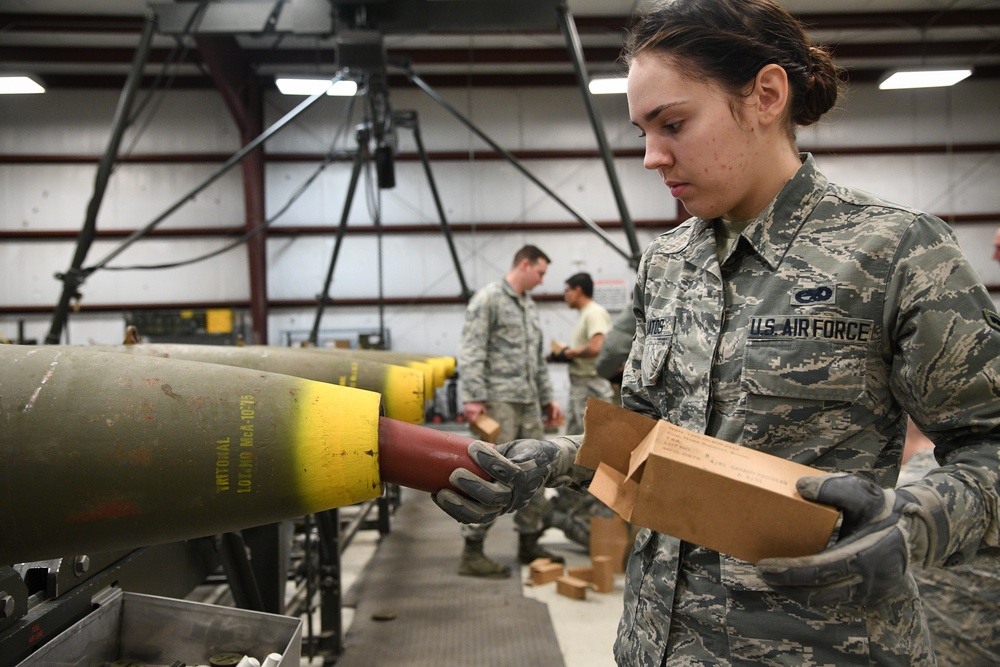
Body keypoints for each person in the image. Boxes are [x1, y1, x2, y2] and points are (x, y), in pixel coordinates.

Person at [434, 1, 1000, 665]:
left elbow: (987, 443)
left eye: (672, 123)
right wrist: (550, 459)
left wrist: (916, 522)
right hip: (656, 641)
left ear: (764, 94)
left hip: (815, 646)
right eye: (643, 130)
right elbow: (641, 434)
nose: (650, 156)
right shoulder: (666, 262)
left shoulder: (896, 252)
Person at [455, 244, 564, 578]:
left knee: (538, 468)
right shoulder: (489, 299)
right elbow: (472, 349)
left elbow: (536, 359)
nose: (542, 281)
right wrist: (473, 397)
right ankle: (472, 550)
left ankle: (528, 541)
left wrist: (548, 398)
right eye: (541, 273)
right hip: (499, 402)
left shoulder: (529, 307)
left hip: (528, 400)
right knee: (492, 474)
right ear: (525, 264)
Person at [548, 272, 615, 434]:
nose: (565, 296)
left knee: (592, 437)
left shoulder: (594, 313)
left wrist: (569, 353)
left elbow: (596, 347)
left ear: (578, 290)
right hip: (581, 385)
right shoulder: (585, 314)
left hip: (591, 385)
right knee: (576, 437)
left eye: (567, 291)